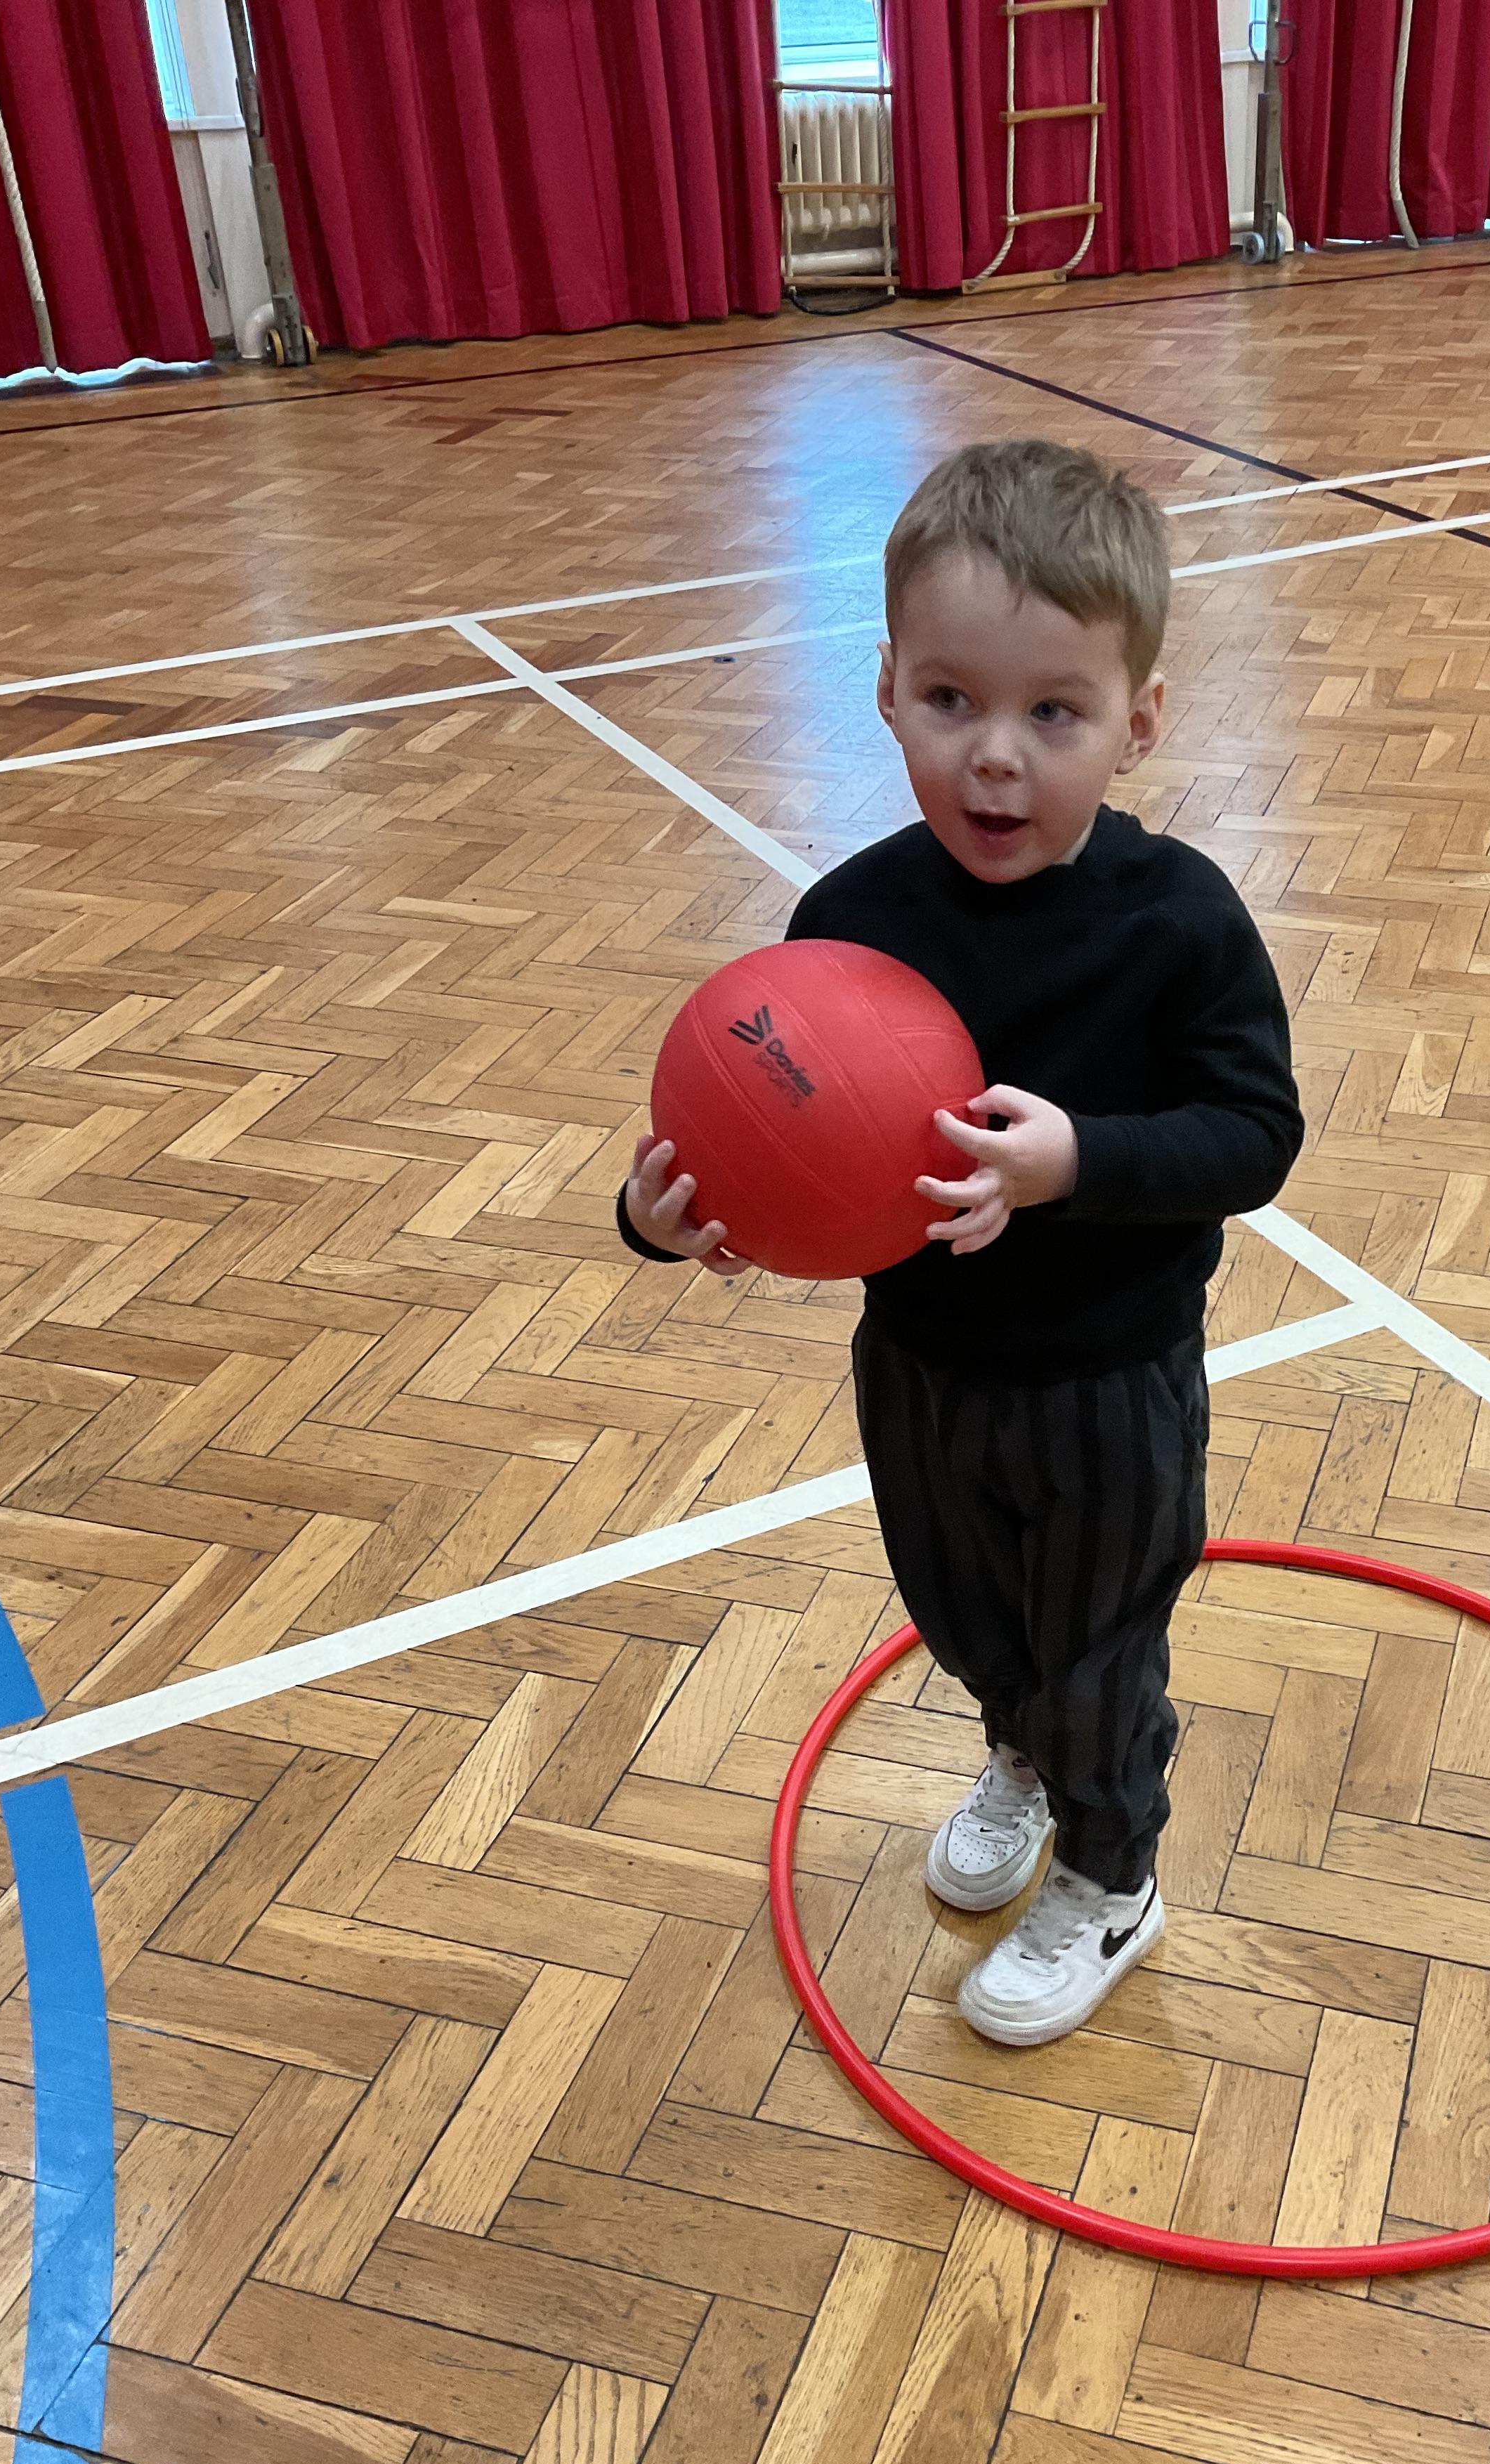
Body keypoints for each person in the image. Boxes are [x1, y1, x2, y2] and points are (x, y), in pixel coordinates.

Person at [617, 438, 1303, 2047]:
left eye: (1054, 713)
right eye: (951, 700)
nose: (996, 756)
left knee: (1098, 1647)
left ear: (1139, 720)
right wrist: (667, 1219)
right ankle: (1019, 1755)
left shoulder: (1179, 924)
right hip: (922, 1368)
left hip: (1107, 1384)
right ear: (886, 690)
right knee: (966, 1610)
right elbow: (766, 1147)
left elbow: (1255, 1136)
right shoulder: (849, 923)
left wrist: (1079, 1163)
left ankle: (1112, 1872)